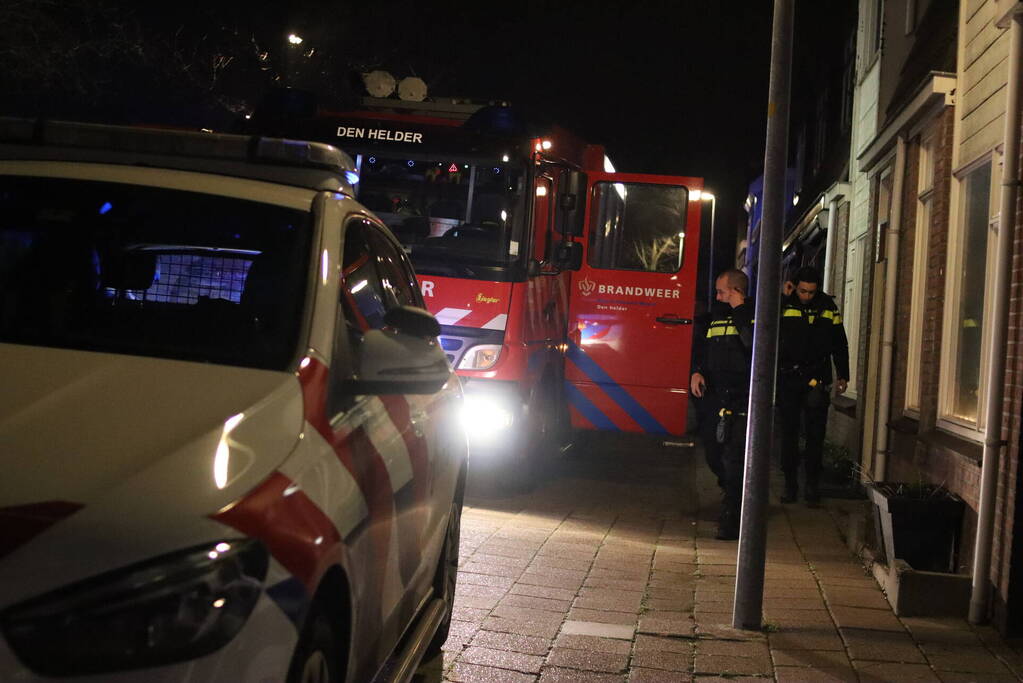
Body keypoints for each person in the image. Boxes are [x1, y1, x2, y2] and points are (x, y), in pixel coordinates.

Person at [776, 265, 850, 506]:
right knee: (788, 434)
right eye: (802, 291)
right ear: (794, 286)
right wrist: (783, 297)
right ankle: (790, 485)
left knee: (815, 436)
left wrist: (843, 374)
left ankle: (811, 486)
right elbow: (768, 327)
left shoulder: (828, 307)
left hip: (817, 378)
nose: (806, 296)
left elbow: (840, 342)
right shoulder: (785, 304)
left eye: (811, 292)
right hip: (789, 378)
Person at [690, 269, 754, 540]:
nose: (717, 296)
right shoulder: (716, 315)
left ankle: (730, 521)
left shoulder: (753, 314)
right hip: (715, 396)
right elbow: (706, 348)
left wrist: (740, 310)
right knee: (712, 452)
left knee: (734, 457)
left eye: (722, 292)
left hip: (740, 396)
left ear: (737, 292)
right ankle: (729, 486)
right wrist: (698, 370)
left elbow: (754, 344)